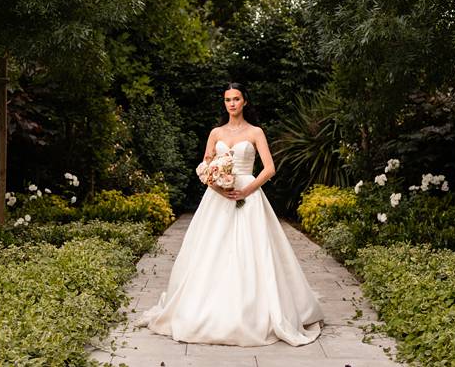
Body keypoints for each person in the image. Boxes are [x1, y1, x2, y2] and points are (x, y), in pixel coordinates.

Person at [138, 82, 324, 346]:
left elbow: (269, 168)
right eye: (227, 100)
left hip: (249, 195)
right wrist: (217, 185)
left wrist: (246, 190)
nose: (232, 104)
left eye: (236, 99)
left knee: (253, 251)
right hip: (218, 198)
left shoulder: (256, 132)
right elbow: (205, 166)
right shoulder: (215, 132)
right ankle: (207, 308)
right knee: (211, 250)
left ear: (245, 101)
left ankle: (254, 310)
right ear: (224, 103)